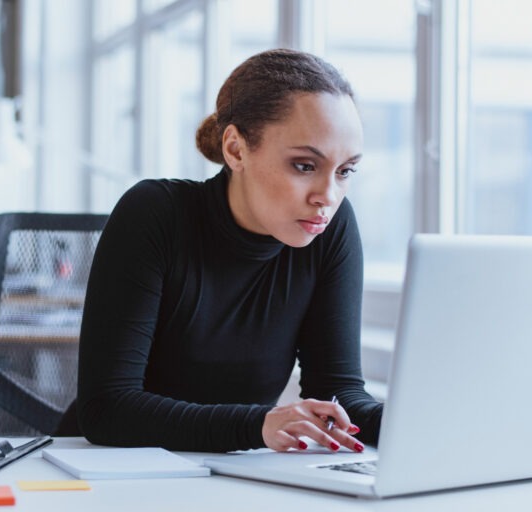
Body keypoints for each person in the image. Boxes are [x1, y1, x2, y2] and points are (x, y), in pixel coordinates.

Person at [73, 49, 383, 453]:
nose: (328, 196)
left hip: (230, 475)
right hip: (112, 473)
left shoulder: (331, 230)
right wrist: (257, 426)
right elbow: (106, 409)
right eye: (305, 166)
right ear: (236, 149)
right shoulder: (154, 214)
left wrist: (428, 421)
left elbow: (339, 396)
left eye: (345, 171)